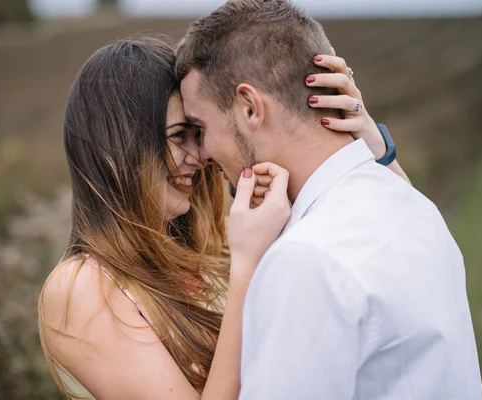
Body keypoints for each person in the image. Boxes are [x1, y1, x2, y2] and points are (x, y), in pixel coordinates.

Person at [38, 36, 407, 400]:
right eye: (180, 136)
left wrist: (371, 141)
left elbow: (413, 233)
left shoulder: (208, 252)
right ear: (119, 146)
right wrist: (248, 262)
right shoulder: (81, 291)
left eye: (199, 134)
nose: (200, 155)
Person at [175, 1, 482, 399]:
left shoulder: (306, 259)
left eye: (201, 127)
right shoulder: (412, 206)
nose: (201, 153)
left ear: (250, 107)